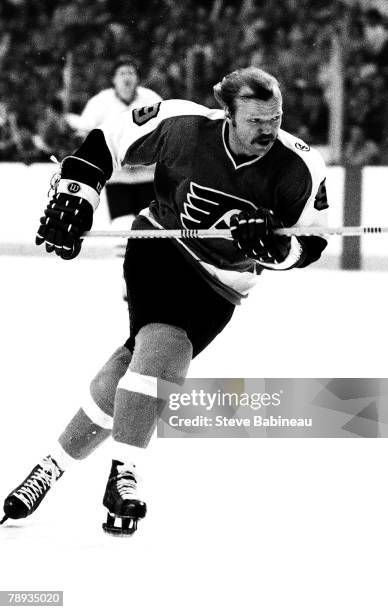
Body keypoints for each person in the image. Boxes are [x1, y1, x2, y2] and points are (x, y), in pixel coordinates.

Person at [1, 67, 329, 537]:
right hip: (160, 246)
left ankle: (49, 468)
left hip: (223, 286)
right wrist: (79, 192)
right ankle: (124, 474)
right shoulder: (183, 126)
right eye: (255, 120)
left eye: (274, 118)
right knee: (167, 346)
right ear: (227, 114)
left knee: (139, 363)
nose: (267, 130)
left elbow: (312, 243)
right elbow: (105, 144)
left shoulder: (300, 166)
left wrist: (276, 249)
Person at [69, 55, 163, 290]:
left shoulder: (151, 99)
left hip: (147, 178)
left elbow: (166, 132)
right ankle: (129, 283)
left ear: (138, 77)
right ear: (113, 79)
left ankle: (150, 281)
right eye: (122, 73)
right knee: (124, 229)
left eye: (131, 72)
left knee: (149, 231)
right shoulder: (100, 103)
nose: (127, 77)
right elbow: (84, 135)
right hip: (117, 180)